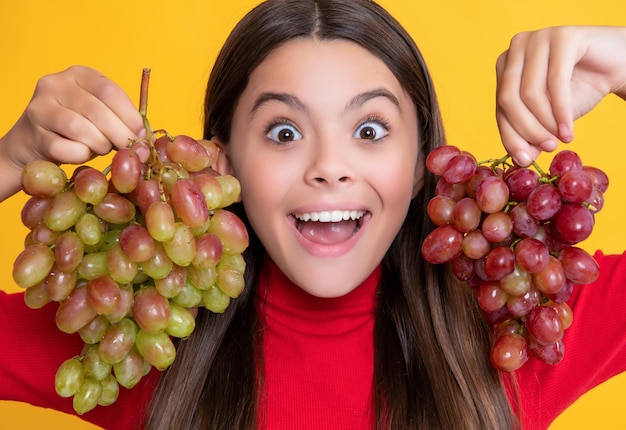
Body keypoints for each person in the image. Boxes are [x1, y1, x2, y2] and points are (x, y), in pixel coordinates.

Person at [0, 0, 625, 428]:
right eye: (282, 132)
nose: (330, 166)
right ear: (220, 167)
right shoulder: (139, 327)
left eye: (371, 128)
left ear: (421, 168)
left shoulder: (524, 326)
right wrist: (8, 163)